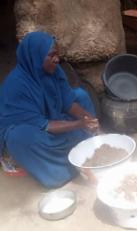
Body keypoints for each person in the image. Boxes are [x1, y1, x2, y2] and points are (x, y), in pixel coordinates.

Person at [0, 31, 99, 188]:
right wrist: (79, 124)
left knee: (80, 95)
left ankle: (85, 146)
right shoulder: (17, 86)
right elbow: (44, 125)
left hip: (49, 117)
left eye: (57, 54)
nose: (57, 59)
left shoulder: (53, 71)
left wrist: (87, 118)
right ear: (35, 57)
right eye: (51, 55)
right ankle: (61, 169)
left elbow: (68, 102)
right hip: (30, 128)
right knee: (20, 138)